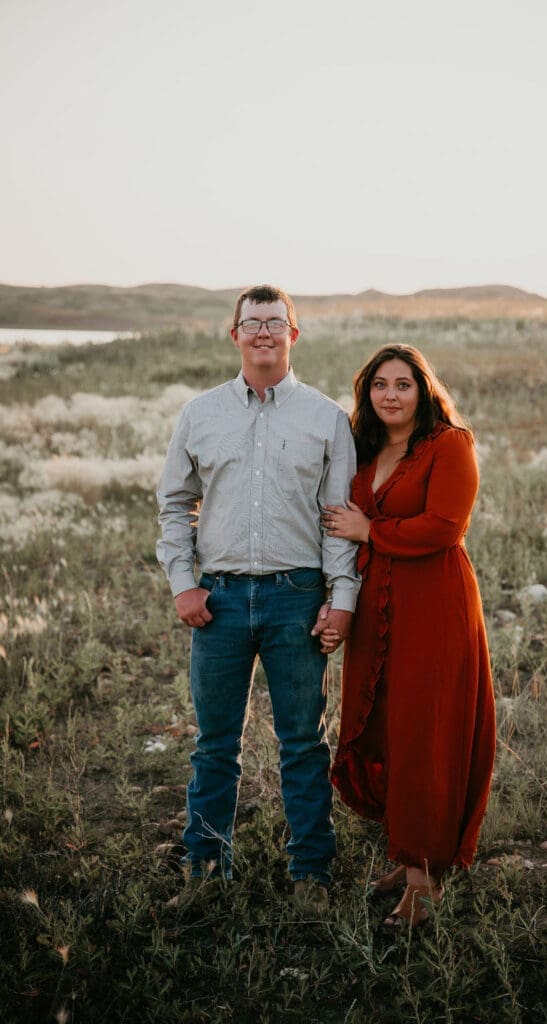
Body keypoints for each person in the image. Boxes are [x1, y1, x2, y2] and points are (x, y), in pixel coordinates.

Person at [156, 284, 360, 912]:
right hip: (216, 601)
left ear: (293, 335)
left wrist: (342, 596)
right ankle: (205, 870)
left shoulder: (326, 417)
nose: (263, 332)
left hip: (296, 598)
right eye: (252, 322)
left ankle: (311, 875)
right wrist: (183, 582)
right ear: (235, 334)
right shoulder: (200, 413)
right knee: (215, 743)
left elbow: (339, 517)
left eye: (276, 322)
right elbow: (174, 503)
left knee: (302, 740)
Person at [321, 344, 496, 929]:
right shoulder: (364, 446)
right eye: (379, 385)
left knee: (427, 730)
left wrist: (370, 528)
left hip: (433, 604)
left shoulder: (450, 445)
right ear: (366, 392)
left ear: (424, 390)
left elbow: (446, 527)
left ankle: (424, 878)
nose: (390, 395)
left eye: (403, 384)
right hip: (377, 605)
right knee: (388, 724)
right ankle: (405, 850)